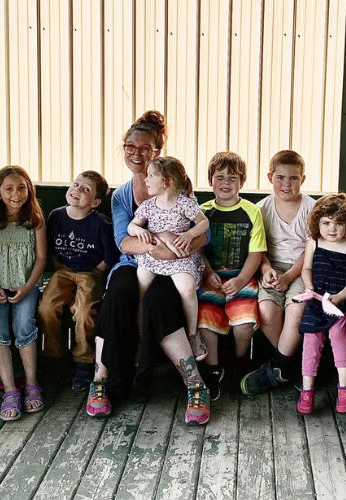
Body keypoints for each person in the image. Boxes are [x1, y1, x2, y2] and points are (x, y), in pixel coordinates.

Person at [88, 110, 212, 426]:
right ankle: (100, 380)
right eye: (130, 146)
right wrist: (162, 244)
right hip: (136, 262)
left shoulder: (177, 186)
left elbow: (202, 231)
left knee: (160, 301)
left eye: (145, 148)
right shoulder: (122, 196)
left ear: (157, 151)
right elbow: (123, 242)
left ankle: (195, 383)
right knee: (118, 294)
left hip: (177, 263)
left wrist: (177, 248)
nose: (136, 153)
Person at [240, 150, 316, 395]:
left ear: (302, 180)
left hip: (302, 269)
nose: (286, 184)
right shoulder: (261, 209)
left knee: (296, 310)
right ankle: (291, 365)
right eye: (280, 177)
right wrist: (266, 269)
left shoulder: (311, 208)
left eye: (293, 178)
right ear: (270, 177)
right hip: (270, 267)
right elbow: (257, 247)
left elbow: (310, 250)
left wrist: (290, 276)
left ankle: (279, 365)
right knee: (267, 311)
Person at [0, 166, 47, 421]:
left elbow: (41, 258)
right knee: (0, 335)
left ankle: (31, 383)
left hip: (25, 286)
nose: (16, 194)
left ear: (29, 189)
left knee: (25, 331)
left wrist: (27, 287)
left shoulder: (35, 220)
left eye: (21, 187)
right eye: (9, 189)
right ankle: (9, 389)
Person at [38, 171, 119, 391]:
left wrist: (94, 272)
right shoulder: (56, 216)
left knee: (84, 312)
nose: (77, 191)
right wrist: (60, 269)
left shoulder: (101, 224)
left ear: (95, 202)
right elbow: (50, 249)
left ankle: (84, 361)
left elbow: (110, 257)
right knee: (46, 307)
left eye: (86, 189)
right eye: (76, 184)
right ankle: (56, 356)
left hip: (91, 273)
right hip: (63, 271)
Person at [196, 152, 267, 401]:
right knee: (205, 318)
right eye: (220, 177)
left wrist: (239, 281)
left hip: (243, 277)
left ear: (242, 182)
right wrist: (208, 271)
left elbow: (256, 253)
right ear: (210, 180)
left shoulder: (251, 212)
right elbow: (198, 251)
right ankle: (213, 368)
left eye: (233, 178)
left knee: (244, 322)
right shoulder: (201, 212)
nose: (226, 182)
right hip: (211, 277)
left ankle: (239, 362)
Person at [128, 157, 210, 360]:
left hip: (179, 256)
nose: (145, 180)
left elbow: (203, 223)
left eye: (151, 176)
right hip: (153, 256)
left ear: (168, 182)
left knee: (187, 288)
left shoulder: (184, 203)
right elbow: (131, 226)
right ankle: (140, 336)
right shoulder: (148, 205)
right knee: (141, 289)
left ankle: (192, 335)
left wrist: (190, 234)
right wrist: (139, 230)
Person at [297, 193, 346, 414]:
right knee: (311, 340)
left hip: (340, 301)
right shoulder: (314, 242)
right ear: (317, 222)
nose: (332, 229)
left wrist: (340, 296)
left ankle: (345, 386)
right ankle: (307, 391)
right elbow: (306, 268)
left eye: (339, 223)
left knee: (338, 336)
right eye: (326, 223)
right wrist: (309, 286)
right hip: (317, 301)